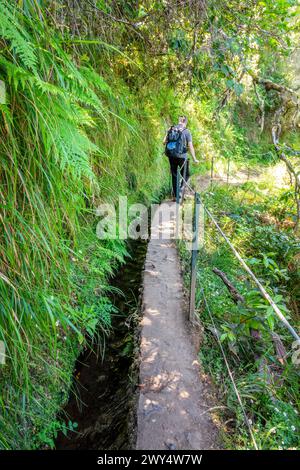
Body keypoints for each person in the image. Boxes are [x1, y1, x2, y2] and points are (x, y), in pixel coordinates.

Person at [163, 116, 199, 199]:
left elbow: (164, 142)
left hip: (171, 155)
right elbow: (190, 146)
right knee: (186, 175)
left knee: (174, 174)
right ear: (185, 122)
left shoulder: (171, 129)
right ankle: (180, 190)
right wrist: (194, 158)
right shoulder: (187, 131)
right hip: (182, 157)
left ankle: (176, 196)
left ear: (179, 121)